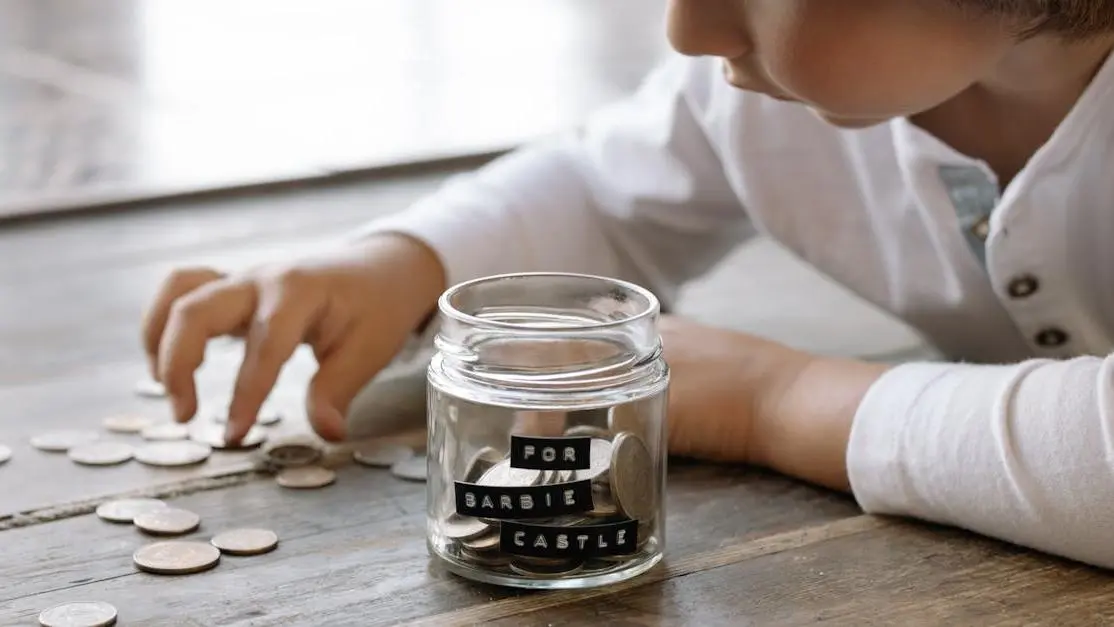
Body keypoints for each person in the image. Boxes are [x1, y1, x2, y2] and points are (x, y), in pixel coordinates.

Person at [141, 1, 1114, 570]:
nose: (687, 28)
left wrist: (777, 400)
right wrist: (405, 261)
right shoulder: (761, 96)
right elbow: (605, 193)